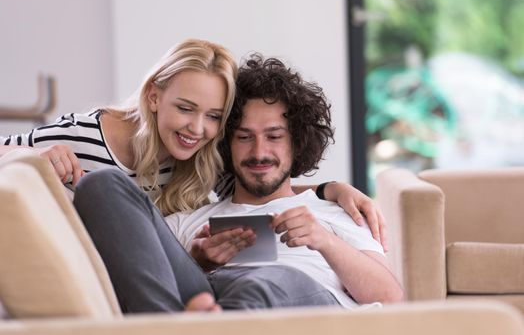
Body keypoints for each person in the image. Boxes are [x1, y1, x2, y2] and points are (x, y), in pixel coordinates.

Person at [72, 54, 402, 313]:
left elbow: (391, 297)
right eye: (244, 137)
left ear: (297, 143)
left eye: (274, 137)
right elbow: (136, 273)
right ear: (226, 143)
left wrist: (325, 241)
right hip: (206, 298)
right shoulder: (192, 219)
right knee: (102, 184)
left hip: (301, 298)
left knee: (264, 281)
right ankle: (174, 327)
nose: (259, 152)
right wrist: (197, 262)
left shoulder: (334, 211)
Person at [0, 39, 388, 247]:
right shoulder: (87, 135)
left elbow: (260, 182)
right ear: (153, 96)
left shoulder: (204, 159)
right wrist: (32, 154)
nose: (197, 128)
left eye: (214, 116)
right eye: (186, 109)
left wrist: (329, 189)